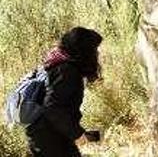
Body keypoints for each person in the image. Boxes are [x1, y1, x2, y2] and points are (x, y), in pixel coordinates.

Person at [26, 27, 104, 157]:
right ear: (84, 50)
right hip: (49, 138)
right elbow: (52, 107)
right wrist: (76, 134)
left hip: (48, 135)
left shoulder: (59, 65)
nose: (97, 53)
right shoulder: (67, 71)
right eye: (94, 49)